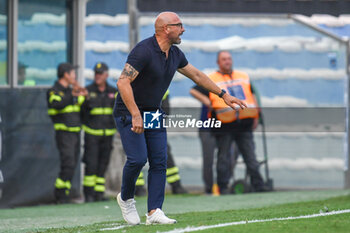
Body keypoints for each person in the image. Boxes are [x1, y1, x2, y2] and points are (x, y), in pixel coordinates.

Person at [114, 12, 246, 225]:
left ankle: (154, 211)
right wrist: (135, 114)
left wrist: (224, 95)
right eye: (179, 25)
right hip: (129, 112)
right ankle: (126, 198)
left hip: (154, 112)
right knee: (138, 159)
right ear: (166, 29)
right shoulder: (143, 51)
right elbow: (122, 83)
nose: (183, 29)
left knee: (159, 161)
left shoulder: (175, 53)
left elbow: (197, 76)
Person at [207, 51, 266, 194]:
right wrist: (207, 103)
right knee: (223, 158)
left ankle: (259, 185)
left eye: (229, 59)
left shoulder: (243, 76)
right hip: (224, 124)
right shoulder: (211, 78)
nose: (227, 61)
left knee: (250, 156)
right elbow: (196, 91)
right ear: (218, 62)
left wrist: (256, 115)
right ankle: (223, 187)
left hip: (244, 123)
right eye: (224, 59)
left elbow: (252, 95)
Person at [47, 63, 87, 204]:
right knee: (68, 163)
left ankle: (64, 193)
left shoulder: (72, 91)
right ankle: (60, 195)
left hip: (75, 133)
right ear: (66, 74)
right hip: (64, 134)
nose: (75, 76)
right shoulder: (54, 90)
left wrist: (83, 96)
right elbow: (55, 104)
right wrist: (73, 94)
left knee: (73, 163)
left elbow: (80, 106)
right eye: (73, 73)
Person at [135, 90, 188, 196]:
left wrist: (151, 123)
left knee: (164, 154)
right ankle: (138, 188)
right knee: (137, 158)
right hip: (136, 124)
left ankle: (176, 185)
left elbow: (166, 109)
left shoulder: (160, 83)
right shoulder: (131, 82)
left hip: (152, 123)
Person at [81, 62, 118, 202]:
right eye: (96, 74)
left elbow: (117, 112)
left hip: (107, 135)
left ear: (106, 75)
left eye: (100, 74)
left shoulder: (113, 91)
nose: (98, 76)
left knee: (103, 164)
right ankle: (88, 194)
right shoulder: (87, 91)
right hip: (92, 134)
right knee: (91, 164)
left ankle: (98, 193)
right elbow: (82, 111)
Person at [190, 85, 216, 194]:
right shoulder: (213, 81)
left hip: (226, 128)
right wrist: (206, 100)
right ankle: (209, 188)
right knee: (208, 158)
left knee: (229, 155)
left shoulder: (235, 82)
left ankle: (222, 184)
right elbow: (193, 90)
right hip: (207, 127)